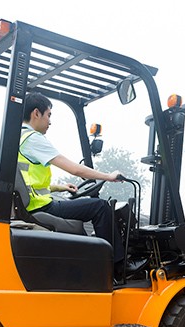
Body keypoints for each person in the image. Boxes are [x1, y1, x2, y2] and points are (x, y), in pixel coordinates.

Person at [18, 92, 127, 265]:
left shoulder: (15, 140)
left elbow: (25, 183)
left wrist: (60, 187)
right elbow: (75, 169)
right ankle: (118, 266)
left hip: (27, 207)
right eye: (48, 115)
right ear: (36, 113)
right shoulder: (33, 139)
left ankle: (92, 262)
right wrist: (108, 176)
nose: (50, 121)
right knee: (100, 207)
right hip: (41, 208)